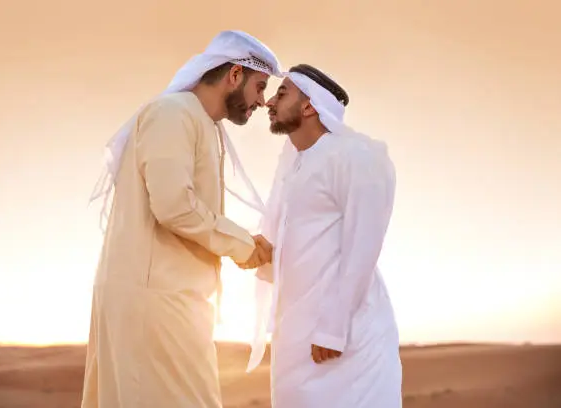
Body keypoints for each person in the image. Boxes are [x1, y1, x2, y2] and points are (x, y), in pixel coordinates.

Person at [81, 30, 280, 408]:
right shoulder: (172, 114)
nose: (262, 100)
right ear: (234, 75)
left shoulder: (200, 122)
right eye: (259, 86)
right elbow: (174, 205)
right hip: (153, 301)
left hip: (177, 302)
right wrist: (242, 246)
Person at [247, 64, 402, 407]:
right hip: (296, 338)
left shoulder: (355, 156)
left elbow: (364, 244)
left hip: (346, 340)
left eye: (282, 93)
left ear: (309, 106)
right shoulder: (296, 165)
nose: (269, 102)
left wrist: (333, 327)